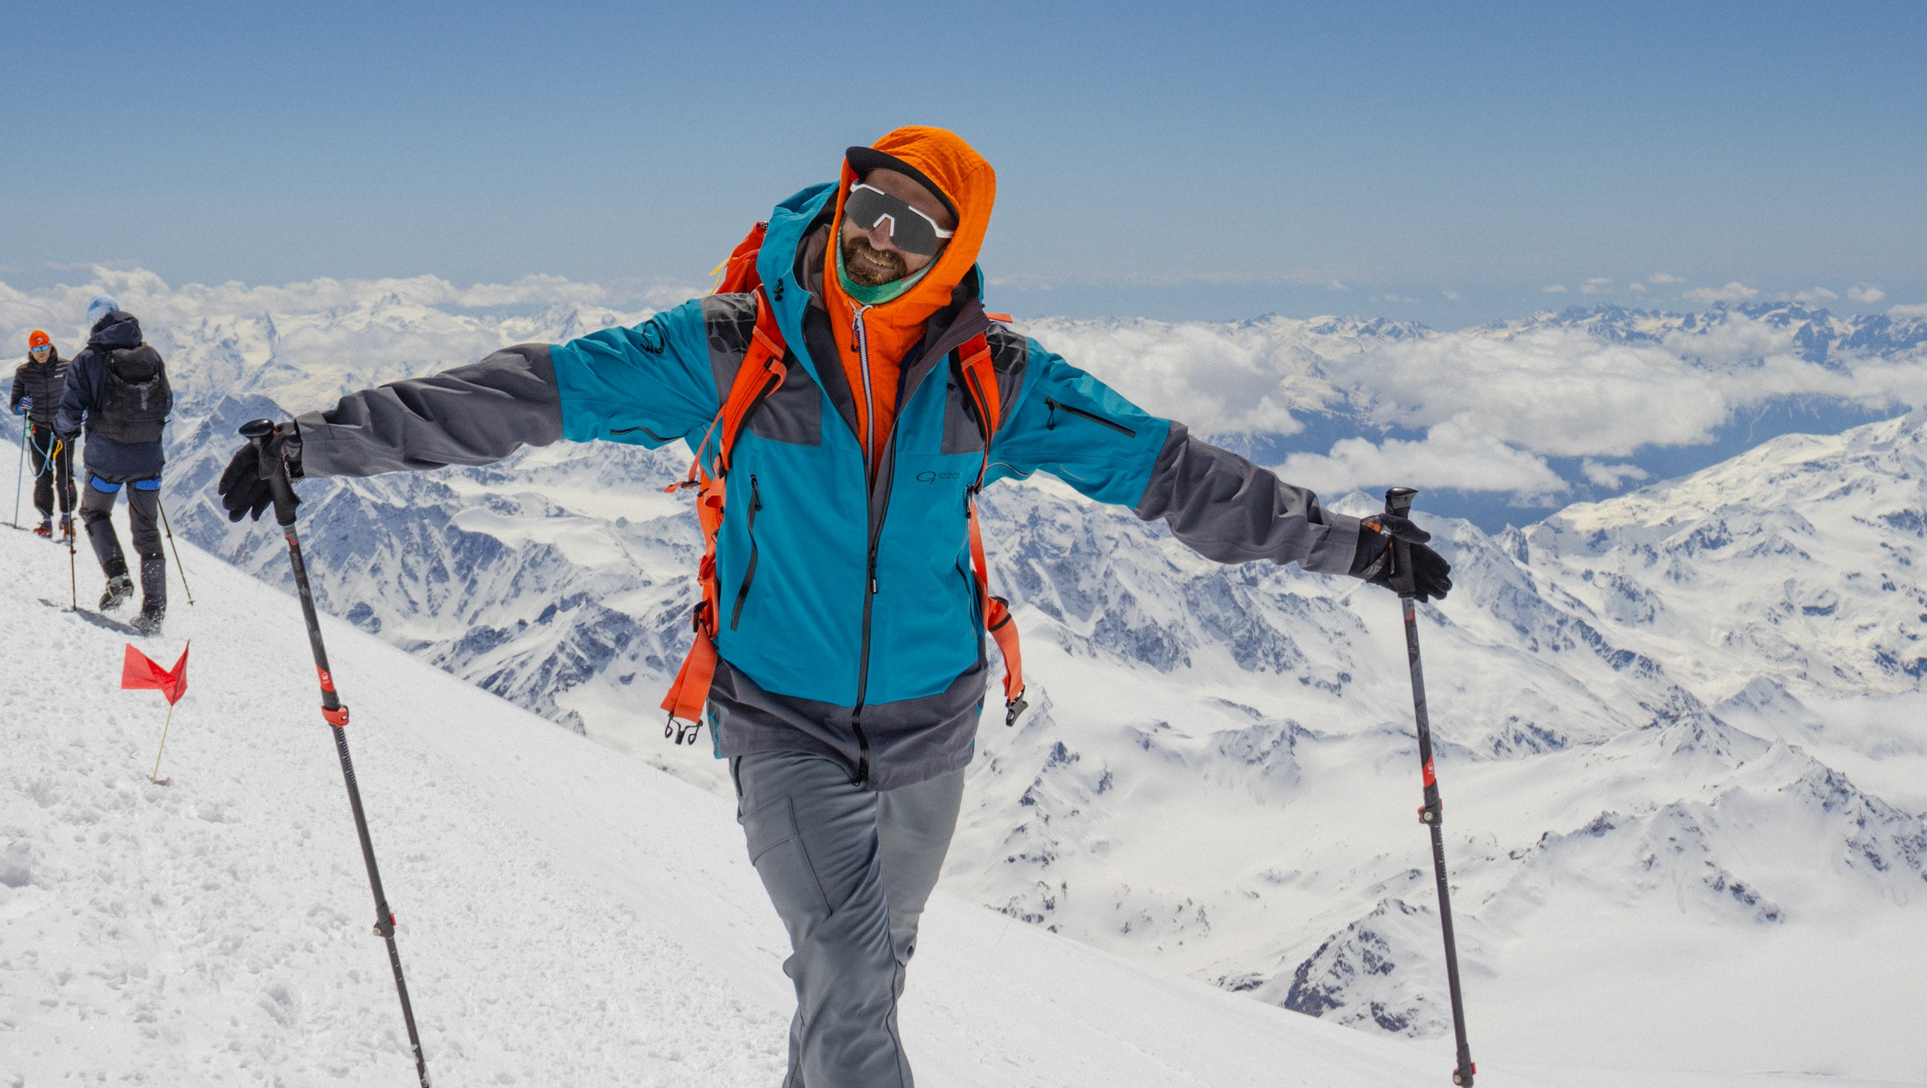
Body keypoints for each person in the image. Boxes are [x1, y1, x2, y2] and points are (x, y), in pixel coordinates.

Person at [214, 125, 1453, 1086]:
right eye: (869, 211)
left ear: (953, 255)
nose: (879, 242)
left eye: (914, 231)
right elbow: (529, 395)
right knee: (853, 974)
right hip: (782, 719)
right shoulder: (733, 346)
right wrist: (322, 442)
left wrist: (1349, 547)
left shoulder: (992, 380)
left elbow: (1169, 474)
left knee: (863, 975)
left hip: (933, 725)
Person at [58, 297, 174, 632]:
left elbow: (69, 412)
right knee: (147, 531)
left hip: (106, 459)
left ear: (94, 323)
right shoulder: (151, 355)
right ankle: (154, 612)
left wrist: (62, 430)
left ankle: (117, 574)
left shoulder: (87, 360)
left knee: (94, 512)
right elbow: (166, 403)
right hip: (148, 459)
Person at [7, 329, 76, 539]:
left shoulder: (66, 367)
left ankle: (67, 519)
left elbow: (78, 394)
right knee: (42, 475)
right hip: (39, 429)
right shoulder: (23, 373)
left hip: (63, 428)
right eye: (37, 349)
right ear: (31, 351)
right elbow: (14, 405)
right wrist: (20, 407)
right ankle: (46, 520)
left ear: (50, 346)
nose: (42, 352)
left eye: (44, 347)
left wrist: (79, 413)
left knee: (65, 474)